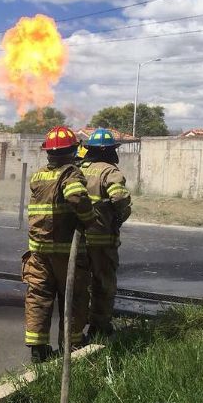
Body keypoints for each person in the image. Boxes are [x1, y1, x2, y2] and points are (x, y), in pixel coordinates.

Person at [23, 126, 98, 363]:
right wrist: (89, 219)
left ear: (48, 153)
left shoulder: (38, 176)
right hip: (65, 252)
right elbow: (76, 196)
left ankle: (38, 349)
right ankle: (72, 344)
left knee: (39, 296)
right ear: (72, 150)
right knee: (74, 296)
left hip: (38, 251)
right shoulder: (70, 173)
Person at [80, 128, 132, 338]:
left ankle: (76, 327)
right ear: (109, 151)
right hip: (101, 238)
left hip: (78, 239)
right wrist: (119, 215)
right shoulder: (110, 172)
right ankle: (99, 326)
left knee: (80, 284)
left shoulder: (79, 169)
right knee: (103, 283)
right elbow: (119, 198)